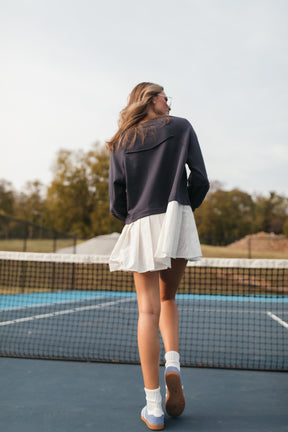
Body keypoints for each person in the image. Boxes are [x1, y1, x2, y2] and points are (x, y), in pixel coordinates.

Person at [107, 82, 209, 430]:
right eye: (165, 96)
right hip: (177, 215)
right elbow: (201, 179)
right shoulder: (182, 126)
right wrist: (182, 210)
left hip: (141, 221)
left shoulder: (122, 141)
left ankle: (153, 409)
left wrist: (134, 218)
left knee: (147, 310)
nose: (170, 102)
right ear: (151, 99)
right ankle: (173, 365)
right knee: (168, 298)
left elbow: (116, 201)